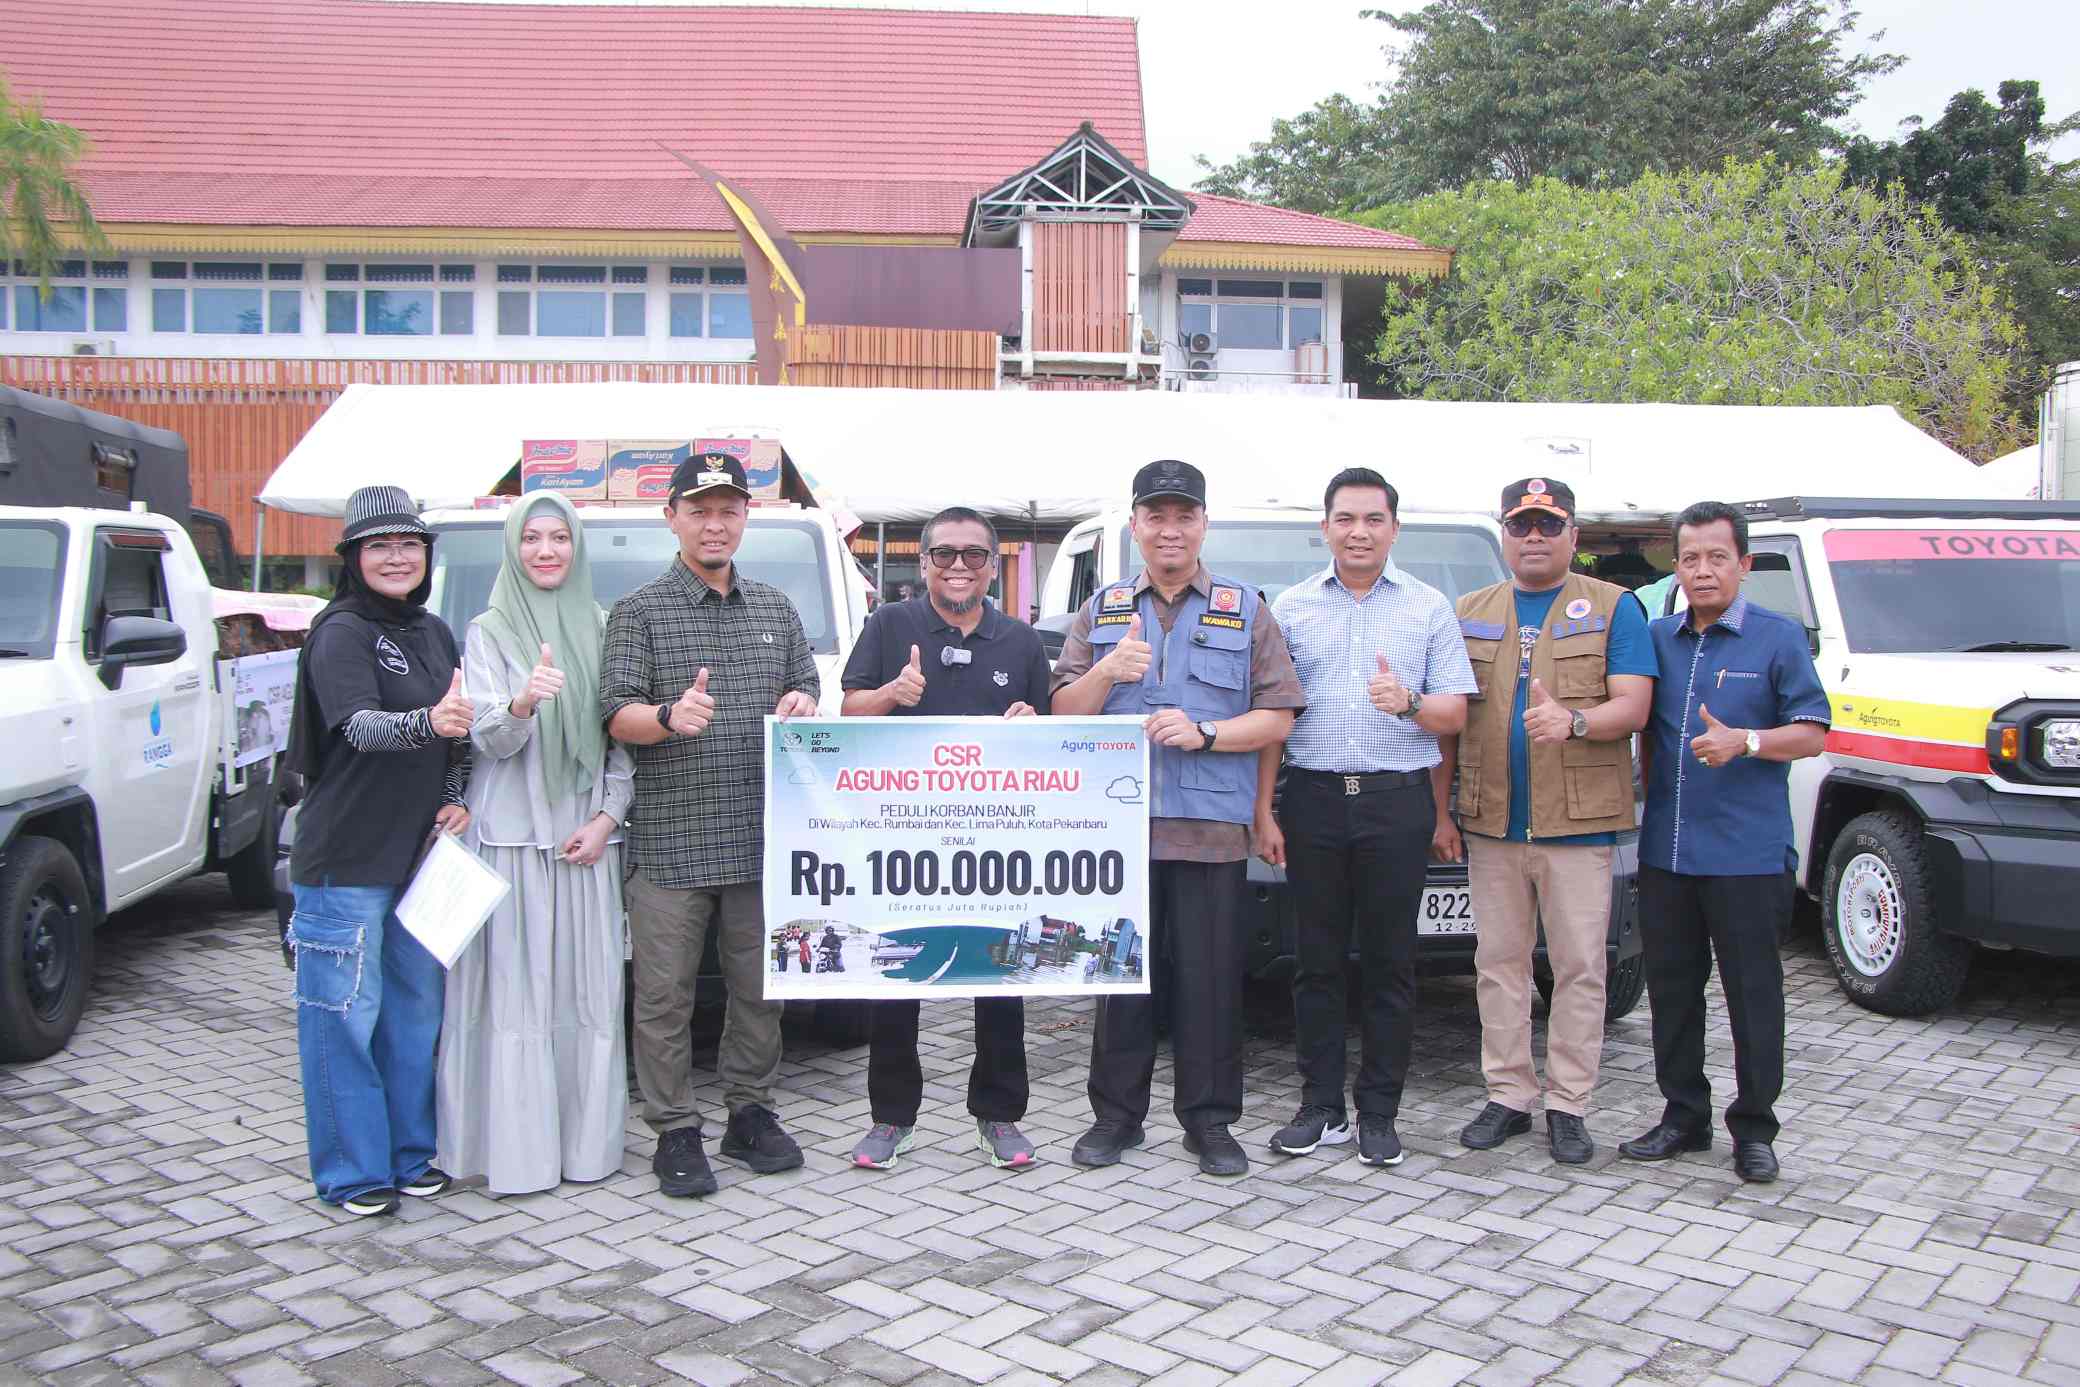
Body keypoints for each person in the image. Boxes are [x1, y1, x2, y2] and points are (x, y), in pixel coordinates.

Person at [1053, 460, 1303, 1177]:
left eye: (1183, 515)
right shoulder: (1102, 608)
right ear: (1135, 525)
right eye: (1156, 516)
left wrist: (1208, 733)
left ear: (1203, 524)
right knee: (1119, 979)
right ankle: (1116, 1119)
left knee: (1210, 984)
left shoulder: (1244, 608)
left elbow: (1279, 714)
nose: (1170, 529)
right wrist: (1107, 671)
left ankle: (1210, 1123)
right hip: (1116, 834)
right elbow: (1061, 711)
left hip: (1209, 832)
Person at [601, 453, 821, 1198]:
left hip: (761, 842)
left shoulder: (775, 609)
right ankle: (674, 1128)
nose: (715, 524)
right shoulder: (639, 612)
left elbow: (806, 688)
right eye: (700, 511)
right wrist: (667, 716)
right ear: (672, 518)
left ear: (746, 517)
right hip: (671, 844)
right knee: (664, 997)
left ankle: (749, 1112)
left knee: (760, 989)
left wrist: (802, 701)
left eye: (729, 510)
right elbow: (616, 714)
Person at [1256, 468, 1475, 1168]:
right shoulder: (1291, 608)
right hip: (1314, 798)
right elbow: (1273, 718)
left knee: (1390, 963)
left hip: (1395, 801)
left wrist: (1408, 702)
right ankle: (1321, 1107)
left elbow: (1454, 714)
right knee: (1316, 962)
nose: (1359, 532)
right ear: (1324, 528)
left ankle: (1379, 1111)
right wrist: (1265, 810)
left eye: (1374, 519)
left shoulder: (1428, 608)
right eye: (1345, 519)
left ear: (1395, 529)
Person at [1431, 478, 1653, 1165]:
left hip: (1578, 825)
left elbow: (1635, 706)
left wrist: (1575, 721)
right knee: (1497, 965)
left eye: (1548, 525)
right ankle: (1509, 1095)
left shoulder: (1614, 607)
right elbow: (1449, 723)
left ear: (1573, 536)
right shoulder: (1469, 610)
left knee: (1580, 967)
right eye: (1521, 525)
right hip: (1491, 822)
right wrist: (1440, 811)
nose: (1533, 537)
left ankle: (1568, 1104)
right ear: (1503, 534)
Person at [1620, 501, 1829, 1184]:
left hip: (1748, 856)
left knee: (1753, 996)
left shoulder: (1778, 637)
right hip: (1668, 853)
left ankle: (1755, 1128)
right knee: (1673, 993)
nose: (1703, 570)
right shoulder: (1656, 637)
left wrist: (1749, 741)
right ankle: (1684, 1115)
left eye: (1717, 557)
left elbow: (1812, 731)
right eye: (1690, 558)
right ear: (1675, 567)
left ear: (1744, 563)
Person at [838, 505, 1053, 1172]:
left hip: (996, 838)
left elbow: (1047, 731)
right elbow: (848, 709)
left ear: (992, 566)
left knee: (1001, 973)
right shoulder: (888, 625)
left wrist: (1030, 720)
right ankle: (890, 1118)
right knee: (896, 973)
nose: (959, 566)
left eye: (973, 555)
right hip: (904, 835)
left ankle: (1000, 1115)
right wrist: (891, 693)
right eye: (944, 554)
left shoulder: (1020, 640)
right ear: (924, 561)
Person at [436, 492, 634, 1195]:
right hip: (513, 837)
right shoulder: (487, 630)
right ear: (513, 548)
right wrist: (523, 702)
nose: (546, 550)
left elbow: (620, 742)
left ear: (577, 547)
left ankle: (584, 1150)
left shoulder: (604, 627)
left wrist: (607, 818)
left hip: (583, 841)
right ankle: (515, 1154)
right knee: (516, 998)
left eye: (559, 537)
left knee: (587, 994)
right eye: (531, 538)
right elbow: (487, 739)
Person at [282, 484, 472, 1217]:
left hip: (418, 859)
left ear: (426, 555)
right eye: (380, 546)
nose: (397, 557)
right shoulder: (340, 632)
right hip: (346, 861)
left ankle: (408, 1157)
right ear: (354, 557)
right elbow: (360, 726)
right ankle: (353, 1173)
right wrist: (427, 722)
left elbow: (456, 735)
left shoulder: (434, 632)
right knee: (343, 1020)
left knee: (413, 1019)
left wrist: (455, 793)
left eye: (409, 544)